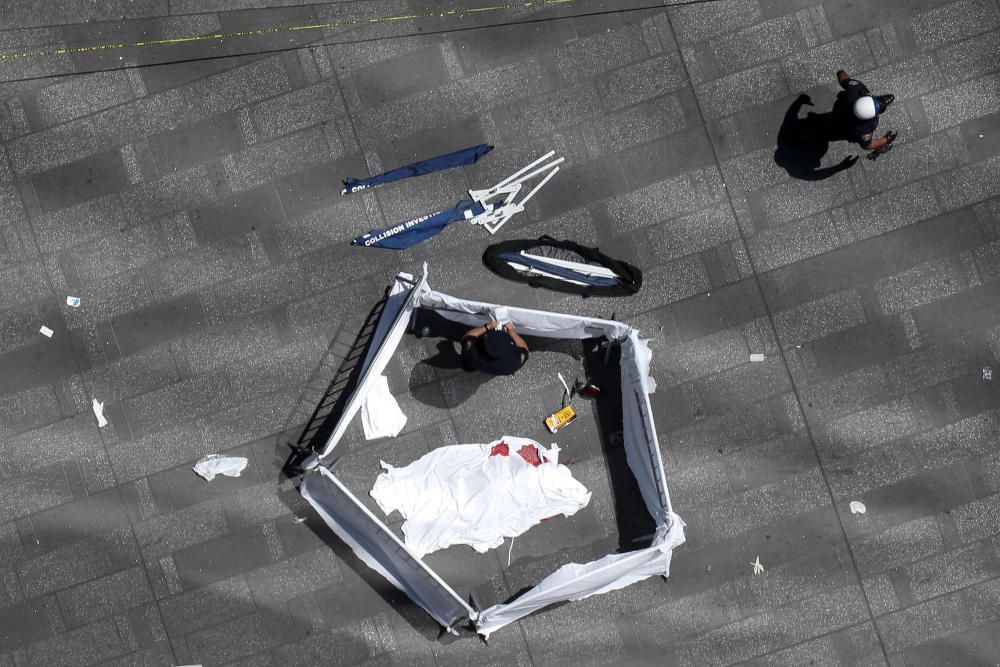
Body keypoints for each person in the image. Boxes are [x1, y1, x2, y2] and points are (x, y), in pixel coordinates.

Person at [833, 70, 897, 152]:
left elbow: (842, 78)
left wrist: (840, 72)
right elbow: (867, 145)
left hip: (838, 110)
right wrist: (886, 140)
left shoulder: (855, 89)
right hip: (842, 129)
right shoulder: (864, 130)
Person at [462, 320, 529, 375]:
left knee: (468, 363)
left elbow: (468, 336)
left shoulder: (473, 354)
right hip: (502, 369)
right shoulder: (515, 363)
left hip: (476, 363)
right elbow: (524, 347)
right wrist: (511, 331)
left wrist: (487, 327)